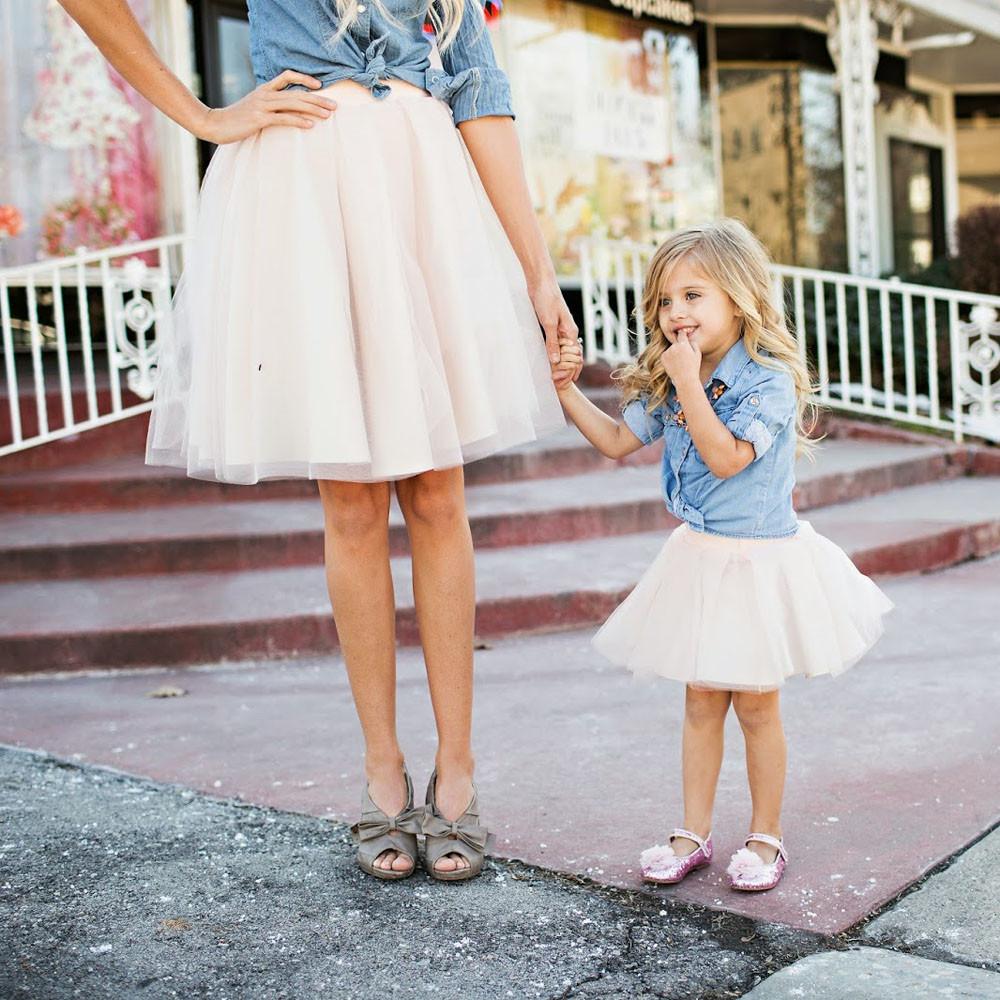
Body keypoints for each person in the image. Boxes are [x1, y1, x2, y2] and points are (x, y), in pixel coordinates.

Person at [59, 0, 582, 882]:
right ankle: (382, 774)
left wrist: (538, 272)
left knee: (437, 491)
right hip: (307, 196)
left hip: (423, 199)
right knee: (349, 496)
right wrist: (200, 116)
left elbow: (478, 92)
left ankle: (456, 774)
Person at [553, 219, 892, 892]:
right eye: (664, 301)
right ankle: (692, 831)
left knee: (758, 705)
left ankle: (766, 836)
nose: (675, 313)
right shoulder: (676, 372)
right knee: (702, 699)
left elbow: (727, 458)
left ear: (737, 298)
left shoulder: (766, 382)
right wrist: (565, 389)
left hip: (761, 563)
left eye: (692, 296)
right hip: (701, 559)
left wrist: (684, 384)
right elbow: (620, 442)